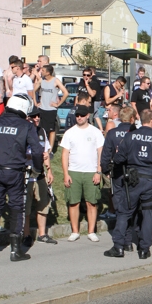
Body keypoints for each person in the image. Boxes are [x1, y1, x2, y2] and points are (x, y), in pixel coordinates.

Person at [0, 93, 43, 261]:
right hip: (15, 171)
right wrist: (37, 169)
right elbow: (38, 151)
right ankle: (15, 250)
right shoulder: (26, 126)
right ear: (24, 109)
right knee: (16, 208)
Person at [111, 110, 152, 259]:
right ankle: (144, 249)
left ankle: (118, 246)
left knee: (124, 212)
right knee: (148, 212)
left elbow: (118, 159)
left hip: (132, 180)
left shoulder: (130, 136)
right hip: (150, 181)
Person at [60, 104, 104, 243]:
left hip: (91, 171)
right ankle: (75, 231)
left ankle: (91, 231)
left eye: (82, 115)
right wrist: (66, 173)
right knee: (73, 202)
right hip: (74, 171)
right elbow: (64, 154)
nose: (79, 118)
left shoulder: (95, 132)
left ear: (87, 116)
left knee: (91, 202)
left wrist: (98, 171)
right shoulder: (70, 132)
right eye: (77, 115)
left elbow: (100, 153)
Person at [100, 107, 137, 255]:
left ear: (120, 118)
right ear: (132, 118)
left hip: (117, 173)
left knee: (121, 208)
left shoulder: (112, 133)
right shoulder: (136, 134)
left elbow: (105, 155)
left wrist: (105, 170)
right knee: (128, 207)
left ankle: (119, 244)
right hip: (133, 174)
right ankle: (127, 242)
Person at [22, 107, 57, 247]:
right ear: (27, 118)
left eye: (38, 116)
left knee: (43, 204)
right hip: (26, 174)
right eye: (33, 116)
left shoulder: (42, 131)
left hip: (40, 174)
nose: (36, 118)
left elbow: (46, 152)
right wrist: (33, 156)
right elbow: (18, 153)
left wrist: (49, 170)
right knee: (26, 208)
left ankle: (42, 234)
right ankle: (26, 235)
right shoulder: (23, 131)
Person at [35, 64, 69, 151]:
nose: (41, 72)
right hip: (42, 109)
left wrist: (58, 104)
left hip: (51, 110)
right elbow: (33, 90)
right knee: (41, 129)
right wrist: (36, 102)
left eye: (43, 71)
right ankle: (42, 147)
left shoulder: (55, 81)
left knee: (51, 130)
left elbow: (66, 93)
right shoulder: (41, 80)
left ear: (48, 72)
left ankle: (50, 149)